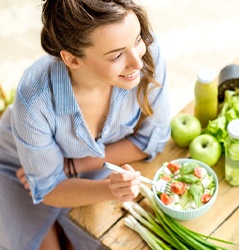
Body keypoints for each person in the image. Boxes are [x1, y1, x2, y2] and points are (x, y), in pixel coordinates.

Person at [0, 0, 171, 249]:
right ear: (72, 59)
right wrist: (109, 189)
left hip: (86, 167)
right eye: (116, 55)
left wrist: (74, 166)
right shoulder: (34, 97)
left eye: (136, 40)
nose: (138, 63)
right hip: (17, 166)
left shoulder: (146, 54)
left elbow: (151, 140)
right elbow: (50, 189)